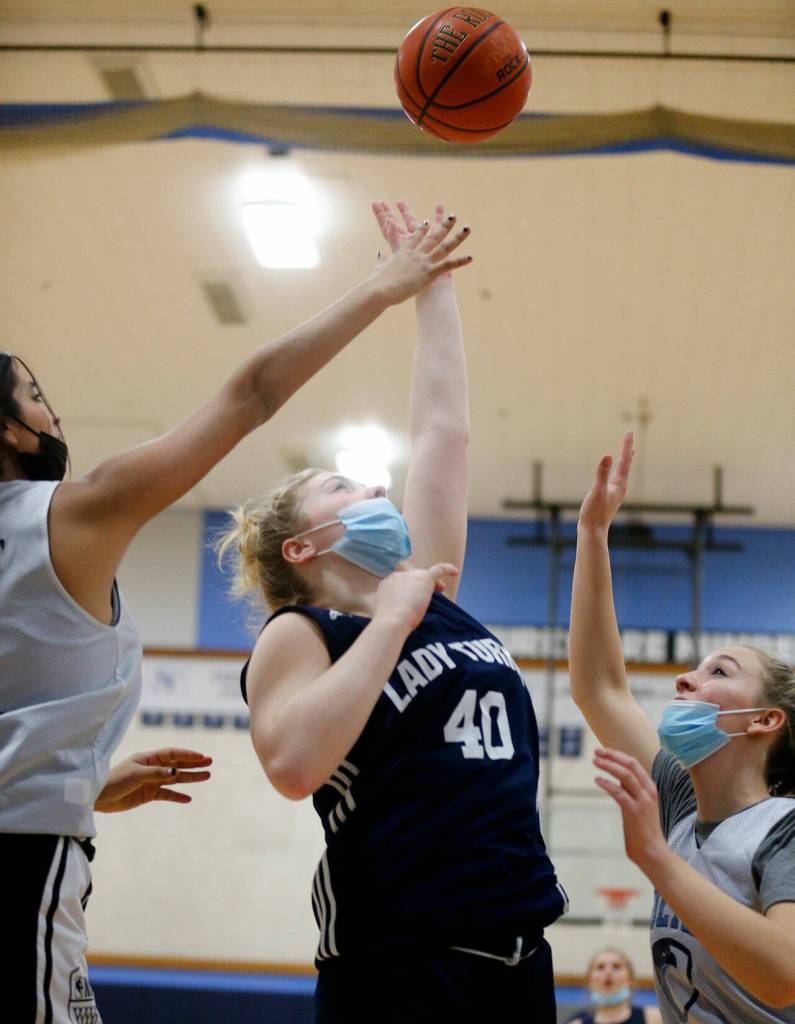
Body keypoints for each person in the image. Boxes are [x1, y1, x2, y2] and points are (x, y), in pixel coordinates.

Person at [0, 213, 470, 1024]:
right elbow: (251, 394)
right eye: (36, 397)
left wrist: (70, 785)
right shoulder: (70, 516)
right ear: (7, 429)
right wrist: (381, 288)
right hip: (26, 866)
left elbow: (446, 440)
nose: (55, 415)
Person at [219, 200, 567, 1024]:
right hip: (399, 963)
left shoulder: (425, 589)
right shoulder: (302, 635)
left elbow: (442, 430)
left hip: (519, 951)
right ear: (299, 549)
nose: (377, 489)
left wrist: (430, 287)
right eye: (342, 487)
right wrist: (388, 623)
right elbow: (293, 767)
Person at [569, 431, 795, 1022]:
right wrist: (592, 535)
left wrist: (655, 859)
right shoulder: (682, 807)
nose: (684, 681)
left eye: (717, 671)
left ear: (766, 720)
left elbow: (784, 975)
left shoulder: (784, 827)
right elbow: (600, 688)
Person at [565, 946, 661, 1024]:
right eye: (600, 967)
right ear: (590, 981)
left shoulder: (655, 1019)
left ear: (630, 979)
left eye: (616, 966)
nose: (608, 972)